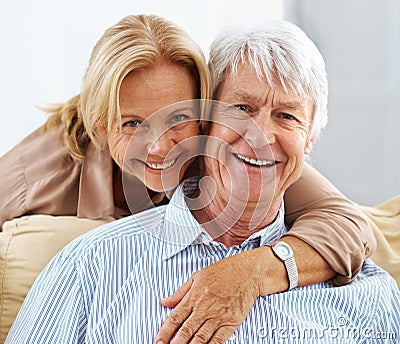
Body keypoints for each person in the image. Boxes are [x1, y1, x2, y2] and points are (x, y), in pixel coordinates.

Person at [6, 20, 399, 344]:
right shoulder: (84, 260)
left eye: (178, 118)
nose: (160, 145)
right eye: (242, 107)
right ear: (102, 127)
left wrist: (250, 272)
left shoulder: (370, 295)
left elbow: (348, 224)